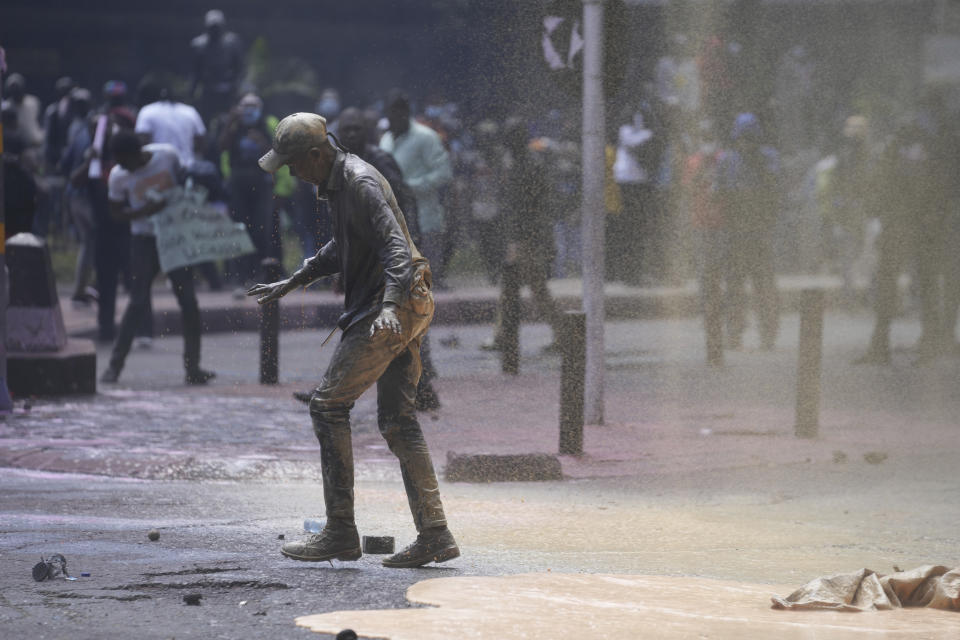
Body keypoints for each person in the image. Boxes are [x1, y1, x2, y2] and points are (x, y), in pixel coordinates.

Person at [248, 112, 458, 568]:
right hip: (403, 304)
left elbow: (396, 249)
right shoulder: (339, 182)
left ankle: (340, 531)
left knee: (327, 406)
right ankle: (436, 534)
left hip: (392, 306)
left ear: (318, 155)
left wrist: (387, 308)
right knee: (399, 422)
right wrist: (292, 280)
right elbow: (344, 247)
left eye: (294, 164)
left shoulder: (359, 182)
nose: (292, 174)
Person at [99, 131, 215, 385]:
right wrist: (143, 211)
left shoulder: (166, 156)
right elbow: (116, 213)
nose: (122, 166)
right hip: (144, 240)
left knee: (188, 301)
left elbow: (185, 179)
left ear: (136, 154)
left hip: (174, 236)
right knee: (137, 301)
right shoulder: (119, 177)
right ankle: (114, 367)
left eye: (124, 160)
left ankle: (192, 368)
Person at [717, 113, 782, 350]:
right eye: (742, 139)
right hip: (734, 233)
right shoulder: (727, 160)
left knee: (764, 286)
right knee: (734, 287)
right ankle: (734, 333)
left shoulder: (769, 159)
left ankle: (768, 334)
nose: (746, 144)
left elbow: (775, 191)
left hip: (760, 233)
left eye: (750, 139)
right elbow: (718, 191)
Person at [380, 89, 452, 288]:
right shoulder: (385, 140)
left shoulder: (426, 137)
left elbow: (444, 172)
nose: (391, 118)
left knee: (429, 282)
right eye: (388, 113)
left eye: (395, 113)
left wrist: (411, 188)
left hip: (425, 220)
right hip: (394, 223)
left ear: (405, 113)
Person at [218, 92, 278, 285]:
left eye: (254, 106)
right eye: (246, 106)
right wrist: (230, 123)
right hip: (238, 184)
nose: (249, 110)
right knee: (239, 229)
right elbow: (221, 147)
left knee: (262, 229)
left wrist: (262, 143)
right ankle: (239, 276)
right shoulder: (234, 126)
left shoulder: (267, 125)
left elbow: (277, 153)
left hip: (262, 184)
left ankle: (262, 274)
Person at [189, 9, 244, 121]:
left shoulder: (232, 42)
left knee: (230, 120)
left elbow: (239, 67)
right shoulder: (198, 44)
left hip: (228, 89)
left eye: (217, 26)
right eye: (212, 26)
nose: (215, 30)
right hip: (208, 90)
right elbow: (195, 70)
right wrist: (192, 91)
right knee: (205, 119)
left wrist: (237, 86)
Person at [135, 80, 206, 166]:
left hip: (157, 168)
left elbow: (142, 141)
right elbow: (201, 140)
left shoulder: (147, 111)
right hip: (187, 166)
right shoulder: (190, 111)